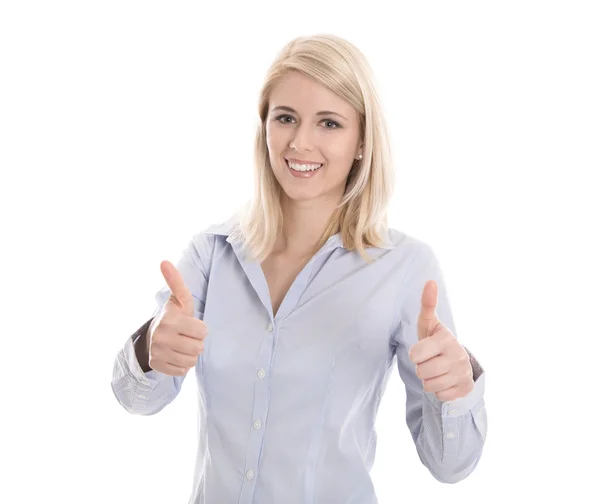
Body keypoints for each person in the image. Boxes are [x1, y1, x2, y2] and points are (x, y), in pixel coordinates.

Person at [111, 33, 487, 504]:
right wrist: (151, 346)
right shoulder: (212, 253)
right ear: (265, 127)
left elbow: (451, 466)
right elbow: (136, 398)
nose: (300, 142)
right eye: (285, 118)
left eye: (329, 123)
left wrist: (456, 387)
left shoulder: (405, 267)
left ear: (361, 142)